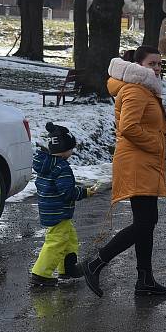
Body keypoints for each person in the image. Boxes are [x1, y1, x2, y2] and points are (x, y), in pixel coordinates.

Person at [82, 46, 166, 297]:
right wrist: (157, 143)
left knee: (146, 223)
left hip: (145, 162)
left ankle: (145, 279)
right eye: (151, 63)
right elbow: (128, 127)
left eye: (159, 64)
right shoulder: (135, 89)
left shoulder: (146, 89)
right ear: (137, 65)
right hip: (137, 163)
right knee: (145, 222)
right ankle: (96, 263)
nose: (156, 68)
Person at [31, 122, 98, 287]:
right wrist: (85, 192)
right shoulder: (62, 168)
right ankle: (41, 273)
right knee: (56, 242)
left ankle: (67, 268)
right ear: (64, 150)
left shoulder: (46, 166)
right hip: (59, 212)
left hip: (51, 211)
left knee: (69, 239)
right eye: (71, 148)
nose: (72, 151)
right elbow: (67, 193)